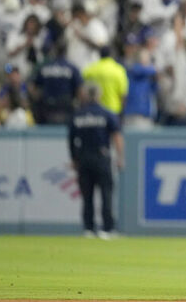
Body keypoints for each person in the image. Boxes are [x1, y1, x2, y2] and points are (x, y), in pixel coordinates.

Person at [69, 83, 124, 239]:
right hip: (102, 156)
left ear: (86, 95)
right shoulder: (106, 114)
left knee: (87, 195)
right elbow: (117, 137)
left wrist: (74, 158)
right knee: (106, 193)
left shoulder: (78, 115)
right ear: (99, 95)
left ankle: (88, 228)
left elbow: (71, 139)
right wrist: (120, 158)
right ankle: (108, 229)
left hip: (84, 157)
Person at [82, 47, 129, 117]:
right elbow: (123, 94)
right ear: (111, 55)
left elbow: (82, 89)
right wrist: (122, 111)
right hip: (113, 109)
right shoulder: (119, 70)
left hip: (95, 111)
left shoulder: (90, 69)